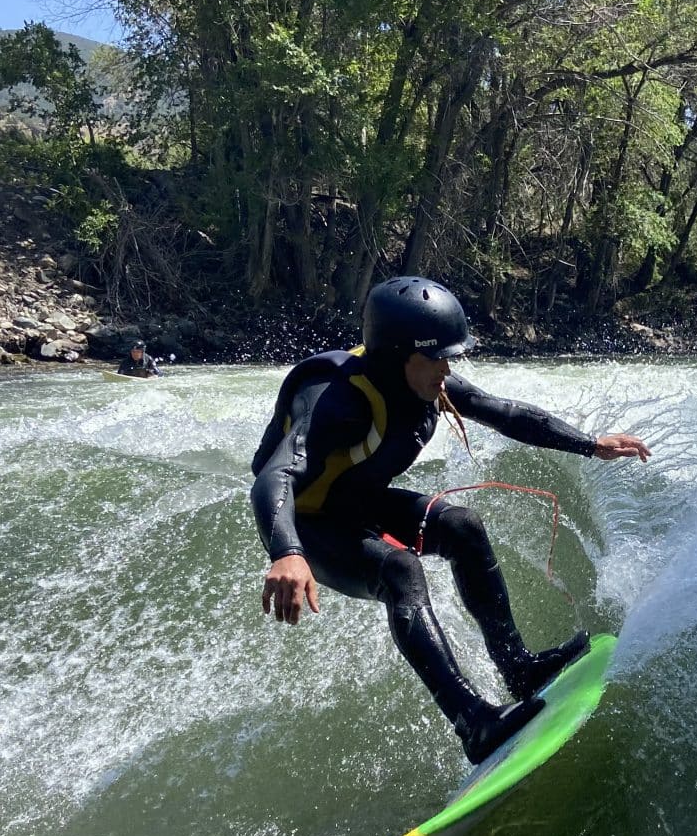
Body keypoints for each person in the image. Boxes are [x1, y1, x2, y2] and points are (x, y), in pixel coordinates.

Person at [250, 277, 651, 764]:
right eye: (437, 357)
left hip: (360, 499)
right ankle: (473, 722)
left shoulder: (424, 380)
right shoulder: (336, 400)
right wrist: (288, 554)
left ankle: (518, 669)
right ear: (398, 357)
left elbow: (504, 413)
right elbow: (274, 478)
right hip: (307, 523)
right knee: (401, 571)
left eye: (450, 357)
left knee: (462, 526)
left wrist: (590, 445)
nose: (447, 369)